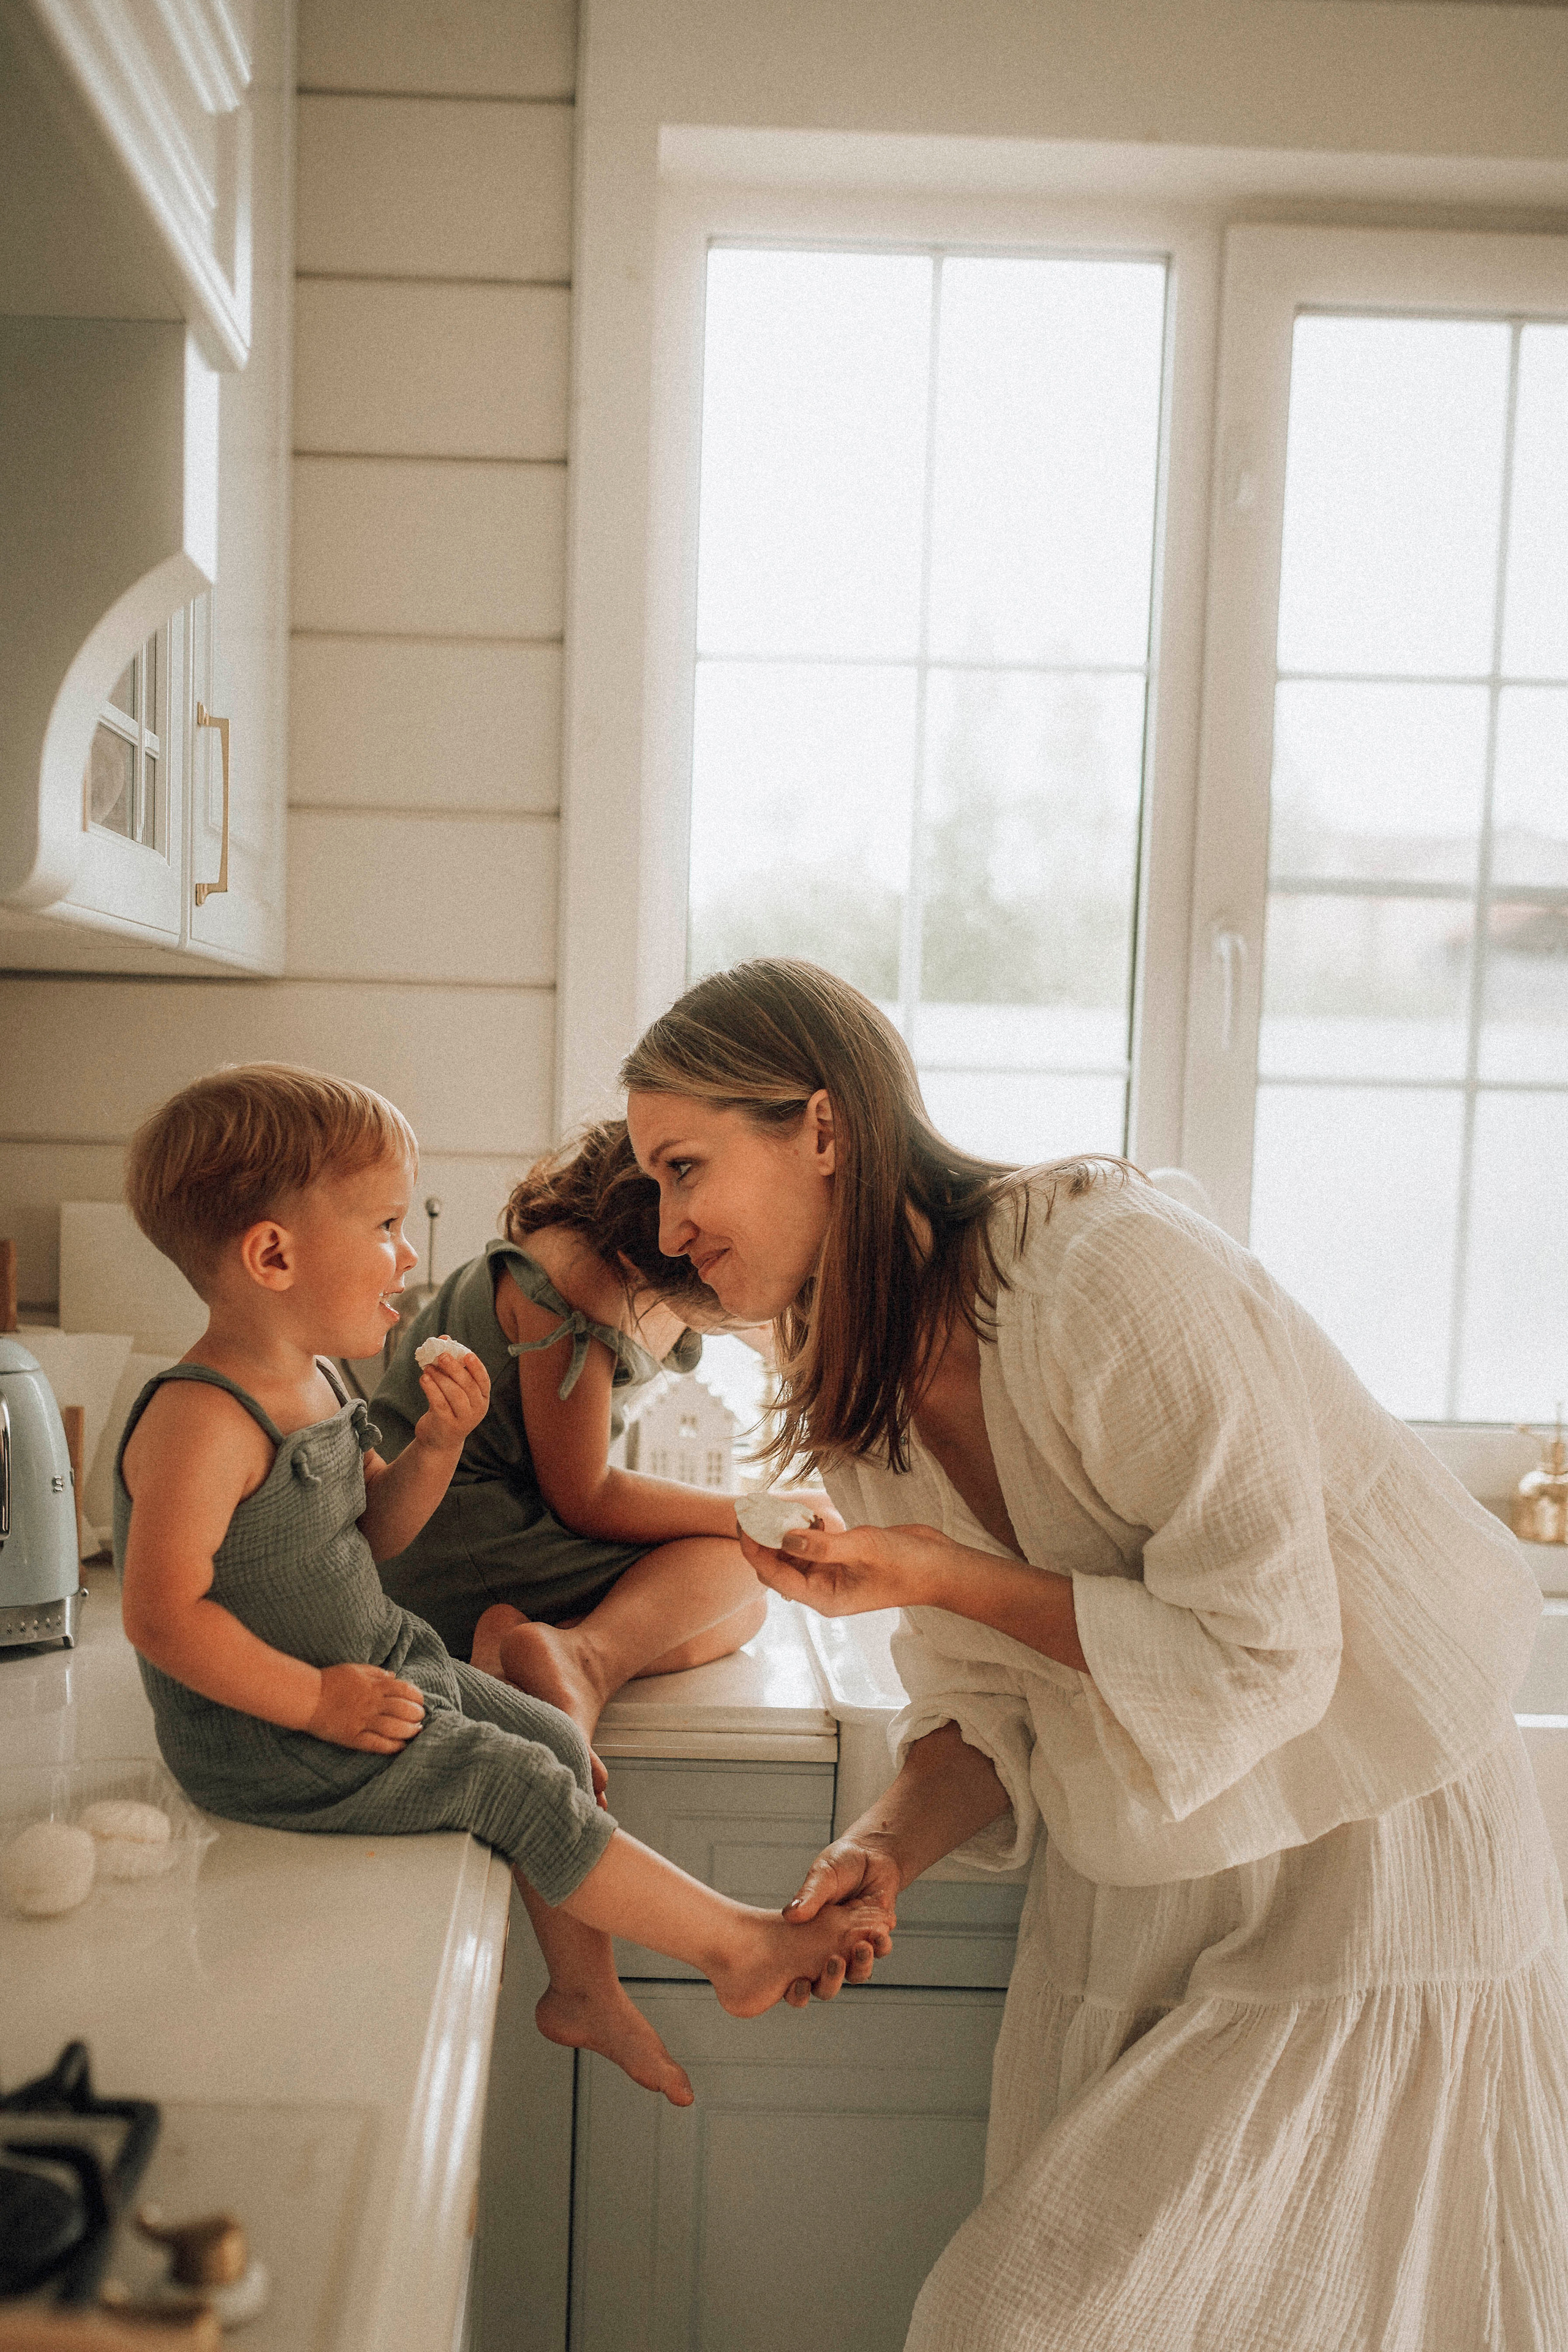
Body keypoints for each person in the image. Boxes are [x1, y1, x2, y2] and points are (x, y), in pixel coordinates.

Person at [621, 959, 1568, 2346]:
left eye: (684, 1167)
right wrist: (883, 1847)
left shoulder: (1104, 1273)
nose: (669, 1225)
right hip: (1149, 1878)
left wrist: (941, 1571)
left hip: (1371, 1854)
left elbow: (1264, 1645)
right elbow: (984, 1701)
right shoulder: (851, 1380)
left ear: (821, 1128)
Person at [114, 1063, 892, 2109]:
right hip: (269, 1737)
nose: (407, 1255)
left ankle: (582, 1990)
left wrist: (437, 1445)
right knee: (511, 1780)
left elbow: (373, 1534)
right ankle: (738, 1946)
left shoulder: (318, 1379)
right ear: (273, 1256)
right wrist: (315, 1703)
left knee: (553, 1738)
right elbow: (161, 1618)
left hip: (376, 1665)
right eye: (385, 1225)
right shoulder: (201, 1419)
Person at [372, 1121, 772, 1776]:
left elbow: (776, 1332)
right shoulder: (579, 1278)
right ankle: (582, 1660)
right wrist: (753, 1512)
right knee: (743, 1563)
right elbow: (584, 1496)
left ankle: (537, 1649)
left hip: (483, 1522)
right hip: (435, 1528)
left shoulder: (621, 1253)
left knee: (744, 1607)